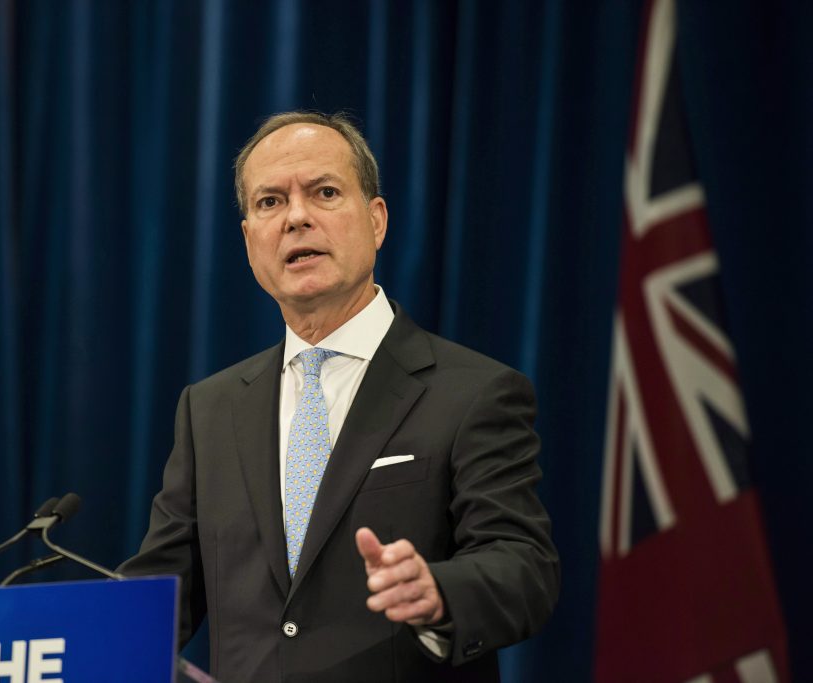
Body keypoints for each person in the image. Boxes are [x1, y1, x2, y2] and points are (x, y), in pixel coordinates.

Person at [118, 111, 559, 682]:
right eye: (270, 202)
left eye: (324, 192)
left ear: (376, 220)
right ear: (249, 239)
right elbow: (161, 597)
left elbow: (525, 569)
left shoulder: (474, 393)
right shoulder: (210, 409)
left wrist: (438, 593)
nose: (296, 218)